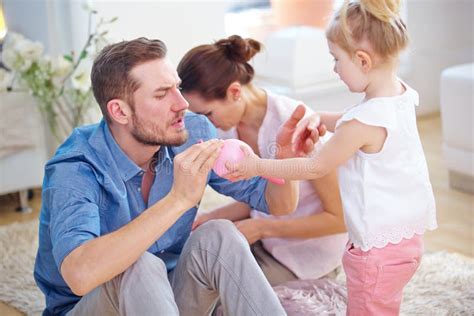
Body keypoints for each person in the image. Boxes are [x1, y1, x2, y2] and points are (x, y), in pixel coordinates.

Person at [33, 37, 319, 316]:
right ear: (119, 111)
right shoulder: (74, 167)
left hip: (167, 296)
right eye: (161, 94)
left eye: (177, 88)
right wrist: (178, 200)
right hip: (93, 307)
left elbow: (279, 205)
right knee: (138, 264)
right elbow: (79, 276)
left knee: (220, 234)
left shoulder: (193, 133)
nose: (182, 103)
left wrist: (285, 161)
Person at [222, 0, 438, 315]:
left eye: (336, 59)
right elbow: (355, 119)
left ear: (363, 60)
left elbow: (314, 166)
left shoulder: (362, 123)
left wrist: (256, 165)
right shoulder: (398, 96)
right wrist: (320, 118)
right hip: (405, 241)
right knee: (384, 305)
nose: (334, 68)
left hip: (375, 252)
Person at [177, 35, 347, 286]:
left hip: (308, 256)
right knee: (195, 275)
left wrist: (262, 228)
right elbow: (262, 198)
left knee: (227, 298)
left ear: (235, 92)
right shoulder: (228, 128)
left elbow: (339, 219)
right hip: (264, 239)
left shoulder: (296, 124)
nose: (206, 123)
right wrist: (213, 216)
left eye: (208, 113)